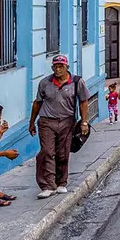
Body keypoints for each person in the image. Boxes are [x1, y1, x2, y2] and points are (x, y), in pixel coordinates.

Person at [28, 54, 95, 199]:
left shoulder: (76, 82)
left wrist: (84, 122)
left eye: (61, 67)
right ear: (52, 68)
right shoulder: (45, 83)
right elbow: (37, 103)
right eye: (55, 67)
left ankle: (61, 182)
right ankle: (47, 185)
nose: (58, 69)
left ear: (67, 68)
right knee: (47, 152)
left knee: (63, 153)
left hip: (67, 122)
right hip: (47, 121)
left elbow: (83, 101)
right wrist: (32, 122)